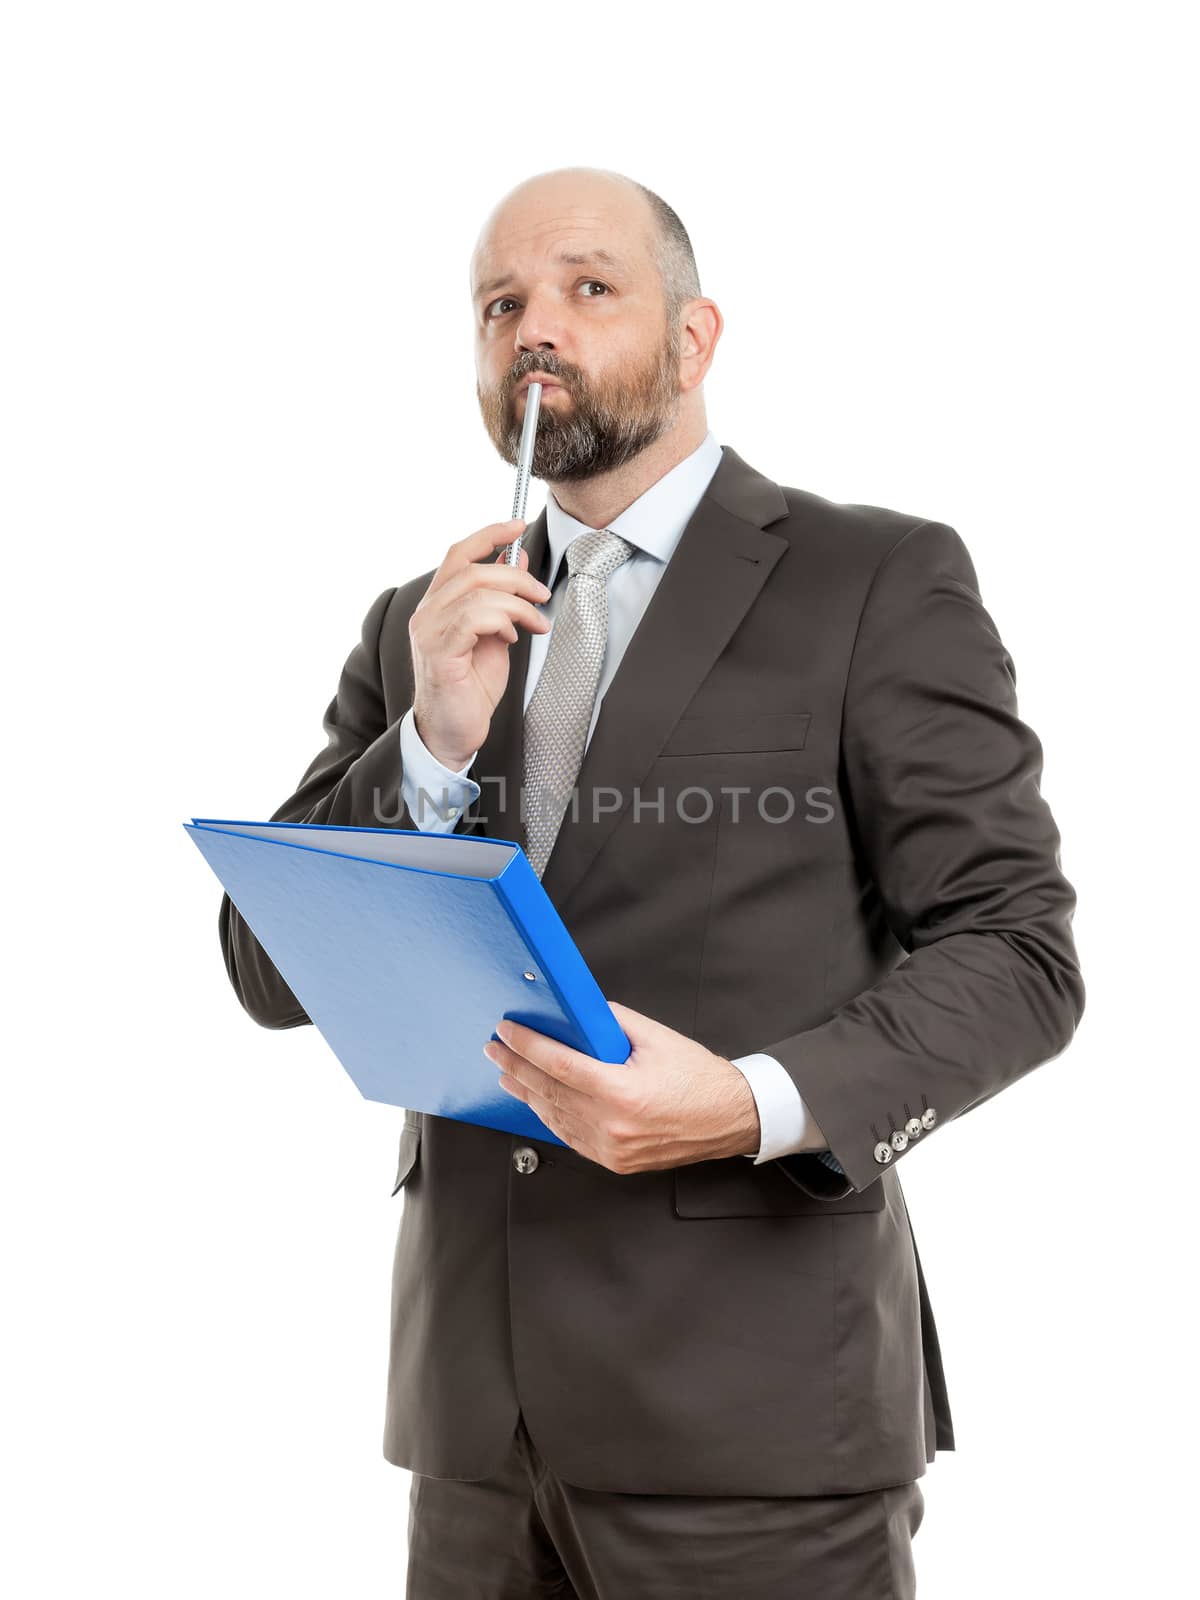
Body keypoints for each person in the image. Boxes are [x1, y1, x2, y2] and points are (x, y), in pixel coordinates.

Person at [218, 165, 1085, 1598]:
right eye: (501, 305)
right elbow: (267, 967)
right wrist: (428, 736)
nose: (534, 330)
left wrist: (751, 1102)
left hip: (753, 1422)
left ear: (694, 340)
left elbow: (1016, 952)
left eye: (587, 286)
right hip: (472, 1428)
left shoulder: (875, 580)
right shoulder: (416, 629)